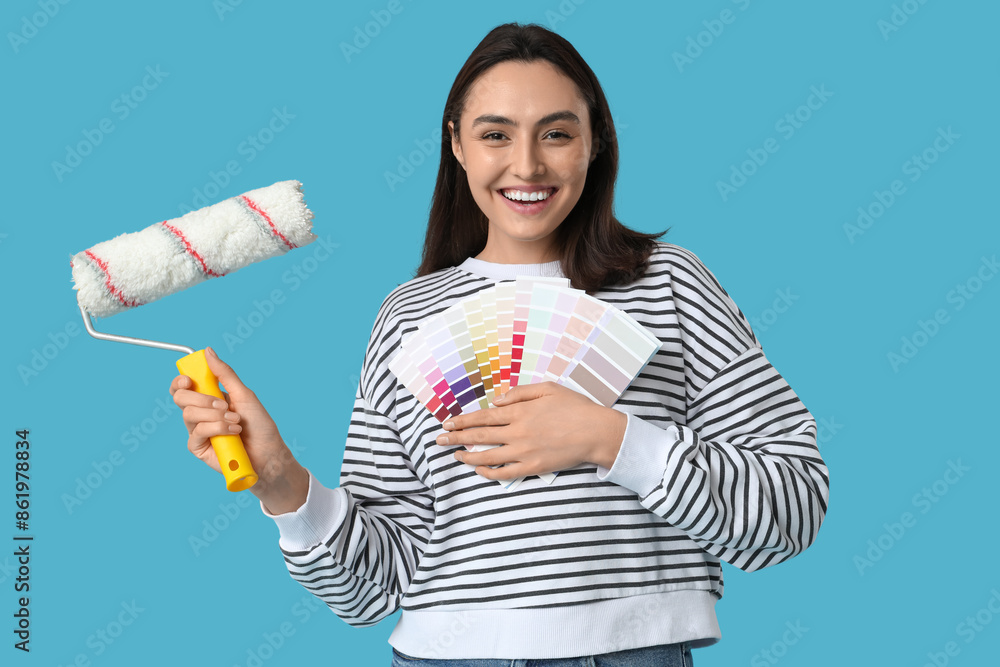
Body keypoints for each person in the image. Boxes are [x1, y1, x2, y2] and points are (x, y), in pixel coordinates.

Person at [169, 22, 829, 667]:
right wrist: (282, 480)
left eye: (557, 134)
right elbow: (371, 588)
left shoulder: (670, 284)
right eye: (495, 135)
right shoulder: (406, 317)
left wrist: (611, 438)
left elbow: (791, 507)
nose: (527, 165)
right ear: (456, 144)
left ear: (596, 141)